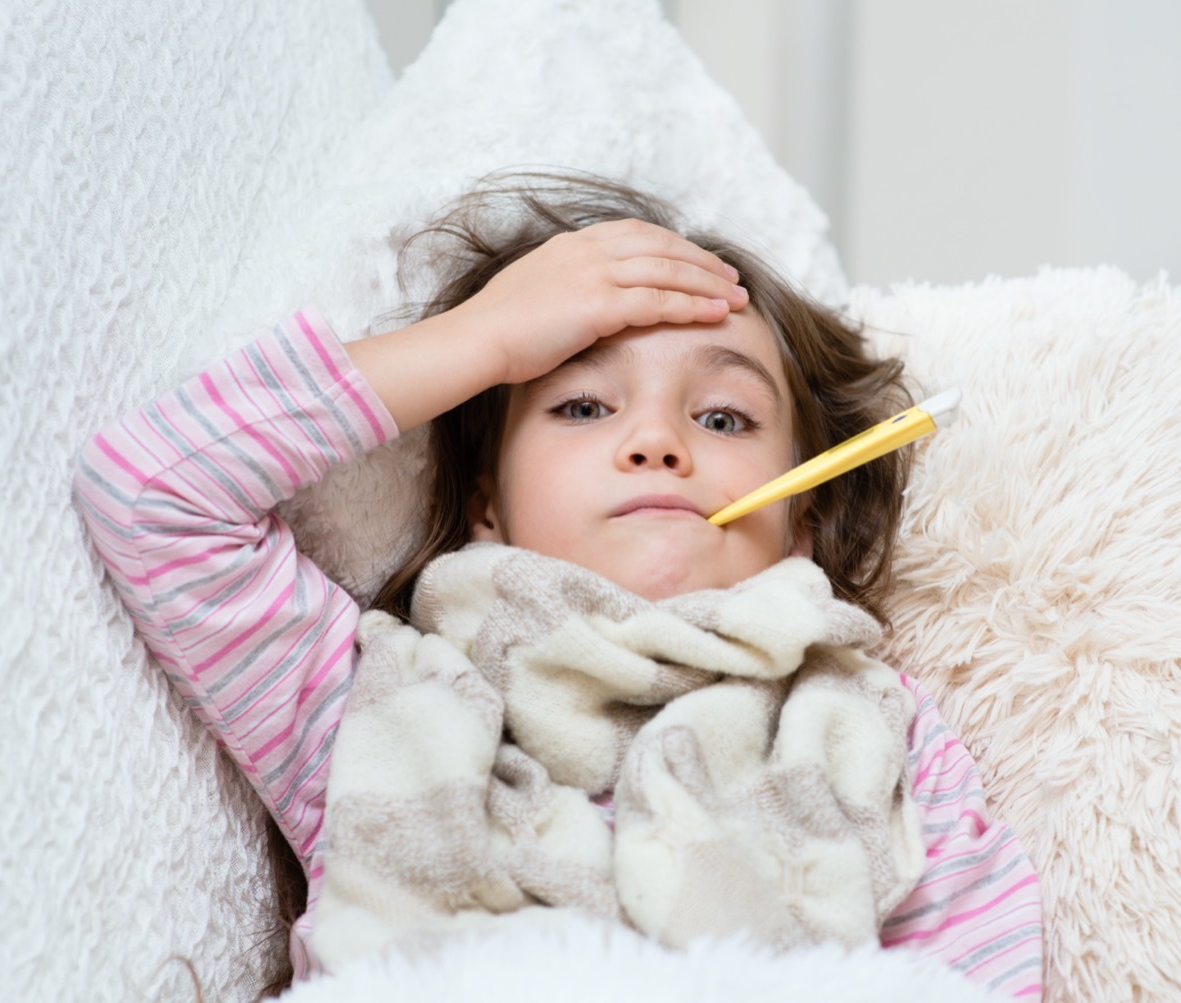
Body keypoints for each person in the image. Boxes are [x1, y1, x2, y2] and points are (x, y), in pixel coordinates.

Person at [74, 172, 1042, 998]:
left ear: (809, 518)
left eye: (724, 418)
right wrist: (485, 340)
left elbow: (973, 974)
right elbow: (154, 493)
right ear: (486, 502)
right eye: (581, 403)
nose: (657, 441)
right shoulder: (372, 703)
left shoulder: (875, 720)